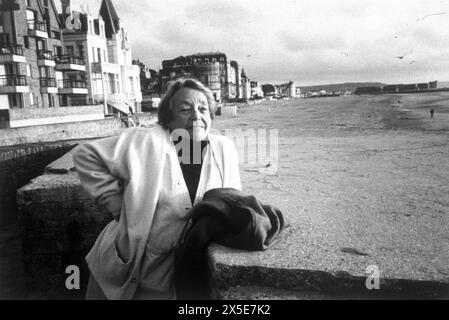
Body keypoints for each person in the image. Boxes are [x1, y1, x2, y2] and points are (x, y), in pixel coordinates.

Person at [73, 78, 242, 300]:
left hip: (181, 272)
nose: (196, 116)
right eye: (185, 109)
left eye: (203, 109)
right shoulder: (146, 141)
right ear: (168, 119)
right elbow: (85, 155)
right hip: (130, 266)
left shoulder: (224, 148)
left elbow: (232, 201)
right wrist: (115, 202)